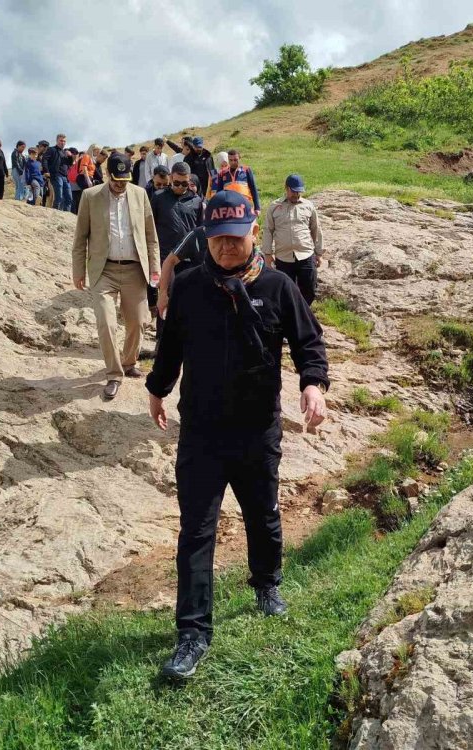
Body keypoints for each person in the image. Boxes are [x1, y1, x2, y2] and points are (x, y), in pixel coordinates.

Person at [146, 189, 329, 680]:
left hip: (257, 429)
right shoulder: (186, 286)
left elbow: (309, 341)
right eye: (216, 239)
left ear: (252, 232)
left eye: (234, 237)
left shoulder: (277, 286)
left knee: (263, 514)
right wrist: (157, 389)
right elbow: (171, 347)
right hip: (202, 432)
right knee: (197, 531)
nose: (226, 247)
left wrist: (313, 386)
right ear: (205, 237)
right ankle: (192, 633)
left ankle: (267, 584)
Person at [72, 152, 161, 400]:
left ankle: (129, 361)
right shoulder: (90, 197)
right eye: (116, 180)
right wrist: (78, 270)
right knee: (106, 322)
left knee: (138, 321)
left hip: (134, 269)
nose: (121, 185)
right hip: (104, 270)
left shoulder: (140, 194)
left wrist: (155, 267)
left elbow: (151, 237)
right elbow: (80, 238)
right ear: (106, 175)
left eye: (125, 180)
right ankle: (114, 374)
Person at [150, 162, 203, 337]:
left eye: (184, 183)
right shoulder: (158, 198)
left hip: (190, 260)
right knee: (166, 296)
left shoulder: (197, 201)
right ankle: (162, 341)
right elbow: (150, 228)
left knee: (191, 299)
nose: (180, 187)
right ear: (171, 178)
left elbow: (201, 231)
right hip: (167, 258)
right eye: (177, 182)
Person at [262, 174, 324, 305]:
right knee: (285, 292)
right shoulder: (274, 207)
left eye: (299, 191)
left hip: (306, 255)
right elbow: (268, 230)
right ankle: (290, 318)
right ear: (286, 188)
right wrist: (267, 254)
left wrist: (319, 253)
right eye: (293, 191)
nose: (296, 194)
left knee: (310, 290)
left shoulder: (308, 206)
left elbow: (316, 229)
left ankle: (305, 314)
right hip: (283, 258)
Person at [156, 225, 207, 319]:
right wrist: (163, 294)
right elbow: (169, 261)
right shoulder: (197, 235)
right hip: (201, 299)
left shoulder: (239, 234)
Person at [215, 149, 261, 213]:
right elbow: (219, 193)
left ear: (239, 158)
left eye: (235, 160)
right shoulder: (222, 173)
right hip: (229, 208)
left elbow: (253, 189)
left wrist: (257, 208)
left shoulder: (246, 170)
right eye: (230, 160)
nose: (233, 162)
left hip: (245, 206)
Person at [43, 133, 72, 211]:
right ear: (57, 141)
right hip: (56, 175)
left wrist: (70, 157)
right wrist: (46, 171)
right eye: (61, 140)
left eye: (64, 141)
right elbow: (44, 159)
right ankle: (56, 214)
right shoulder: (52, 149)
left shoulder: (65, 152)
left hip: (65, 177)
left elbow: (69, 164)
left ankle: (67, 215)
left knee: (69, 197)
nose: (62, 142)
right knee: (59, 196)